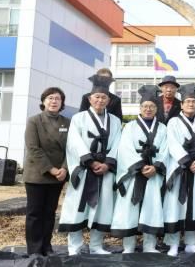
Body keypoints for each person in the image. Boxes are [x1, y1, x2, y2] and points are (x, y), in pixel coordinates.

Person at [58, 75, 122, 255]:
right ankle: (75, 246)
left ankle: (96, 246)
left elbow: (118, 143)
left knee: (103, 207)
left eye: (104, 97)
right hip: (85, 168)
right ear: (89, 99)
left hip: (105, 170)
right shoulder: (78, 118)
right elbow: (74, 142)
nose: (100, 100)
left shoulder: (115, 121)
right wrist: (91, 161)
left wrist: (108, 164)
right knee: (77, 207)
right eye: (97, 97)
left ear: (109, 100)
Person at [112, 85, 168, 254]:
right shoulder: (129, 127)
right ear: (140, 108)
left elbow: (166, 150)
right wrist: (140, 166)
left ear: (156, 109)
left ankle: (149, 245)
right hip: (134, 173)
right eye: (145, 106)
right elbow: (124, 149)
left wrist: (156, 167)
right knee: (129, 208)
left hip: (153, 173)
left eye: (152, 106)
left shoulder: (163, 128)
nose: (148, 109)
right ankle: (128, 246)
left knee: (152, 207)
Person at [163, 83, 195, 257]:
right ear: (181, 105)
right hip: (180, 168)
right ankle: (173, 244)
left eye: (193, 102)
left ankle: (191, 243)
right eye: (188, 102)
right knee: (175, 206)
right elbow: (172, 144)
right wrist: (188, 161)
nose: (191, 104)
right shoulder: (173, 122)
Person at [23, 87, 71, 256]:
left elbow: (71, 148)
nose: (54, 101)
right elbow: (33, 148)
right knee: (35, 213)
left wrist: (64, 168)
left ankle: (47, 246)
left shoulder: (67, 122)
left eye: (57, 98)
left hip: (58, 175)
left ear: (62, 103)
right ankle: (34, 249)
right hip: (38, 174)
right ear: (43, 101)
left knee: (50, 213)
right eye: (50, 98)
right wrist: (51, 169)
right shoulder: (34, 121)